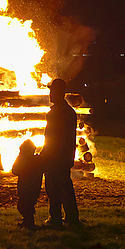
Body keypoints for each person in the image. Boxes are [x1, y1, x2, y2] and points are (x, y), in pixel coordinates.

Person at [41, 78, 80, 228]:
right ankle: (71, 217)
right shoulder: (68, 112)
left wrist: (45, 154)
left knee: (54, 187)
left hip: (56, 156)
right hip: (64, 155)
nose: (50, 94)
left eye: (52, 91)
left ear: (59, 93)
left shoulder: (58, 113)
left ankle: (56, 218)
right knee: (64, 186)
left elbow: (52, 137)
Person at [12, 139, 43, 230]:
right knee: (28, 205)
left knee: (23, 206)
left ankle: (29, 224)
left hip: (25, 188)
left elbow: (14, 170)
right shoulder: (37, 160)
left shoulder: (22, 160)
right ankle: (27, 222)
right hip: (35, 188)